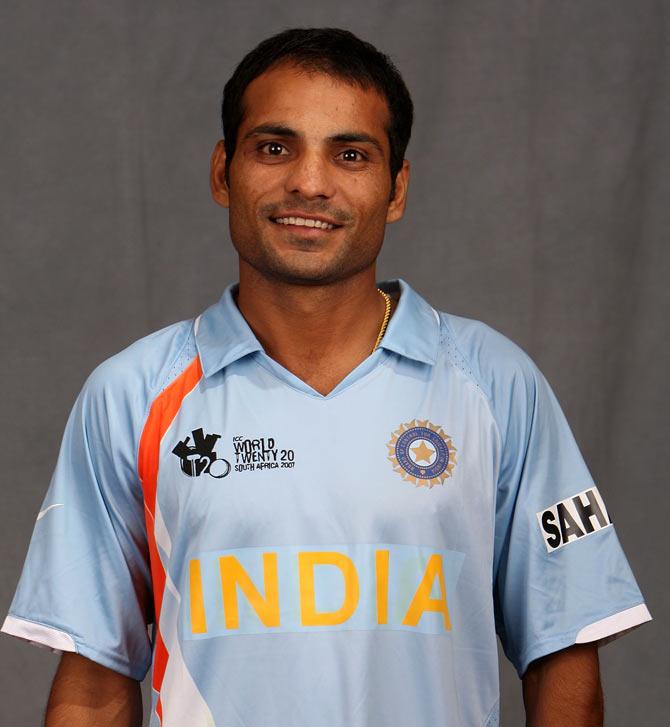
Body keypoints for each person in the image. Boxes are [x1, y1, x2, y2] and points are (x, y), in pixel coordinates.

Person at [2, 27, 650, 727]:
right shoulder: (128, 397)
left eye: (350, 154)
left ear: (396, 188)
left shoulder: (496, 384)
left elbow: (563, 649)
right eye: (274, 147)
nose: (309, 182)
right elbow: (94, 680)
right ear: (223, 171)